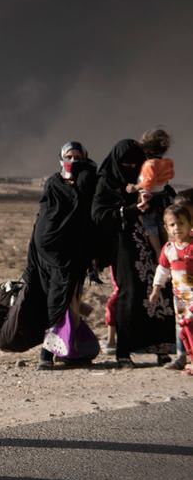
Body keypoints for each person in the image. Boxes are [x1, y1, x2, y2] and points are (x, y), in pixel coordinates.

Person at [92, 139, 176, 368]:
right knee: (130, 294)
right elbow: (99, 215)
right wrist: (129, 210)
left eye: (134, 163)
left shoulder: (147, 178)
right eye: (125, 164)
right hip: (124, 248)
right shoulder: (107, 183)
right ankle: (124, 352)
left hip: (154, 247)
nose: (129, 168)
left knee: (162, 292)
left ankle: (161, 349)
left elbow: (169, 198)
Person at [22, 142, 99, 369]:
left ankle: (66, 353)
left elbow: (91, 218)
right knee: (57, 301)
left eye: (78, 157)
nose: (73, 161)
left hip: (76, 254)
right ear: (61, 158)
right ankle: (48, 354)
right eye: (69, 156)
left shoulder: (90, 182)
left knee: (70, 302)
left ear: (85, 157)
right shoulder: (54, 183)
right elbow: (45, 217)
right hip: (49, 255)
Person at [149, 205, 193, 373]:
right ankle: (181, 357)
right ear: (166, 227)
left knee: (189, 324)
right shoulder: (168, 249)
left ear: (190, 225)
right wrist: (156, 289)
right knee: (181, 326)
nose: (177, 228)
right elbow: (162, 269)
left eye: (181, 223)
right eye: (172, 225)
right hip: (180, 297)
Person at [128, 127, 175, 255]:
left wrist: (135, 187)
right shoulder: (167, 163)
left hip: (149, 198)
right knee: (162, 224)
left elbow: (148, 183)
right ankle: (167, 249)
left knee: (150, 226)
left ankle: (159, 252)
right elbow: (170, 176)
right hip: (162, 197)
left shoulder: (150, 165)